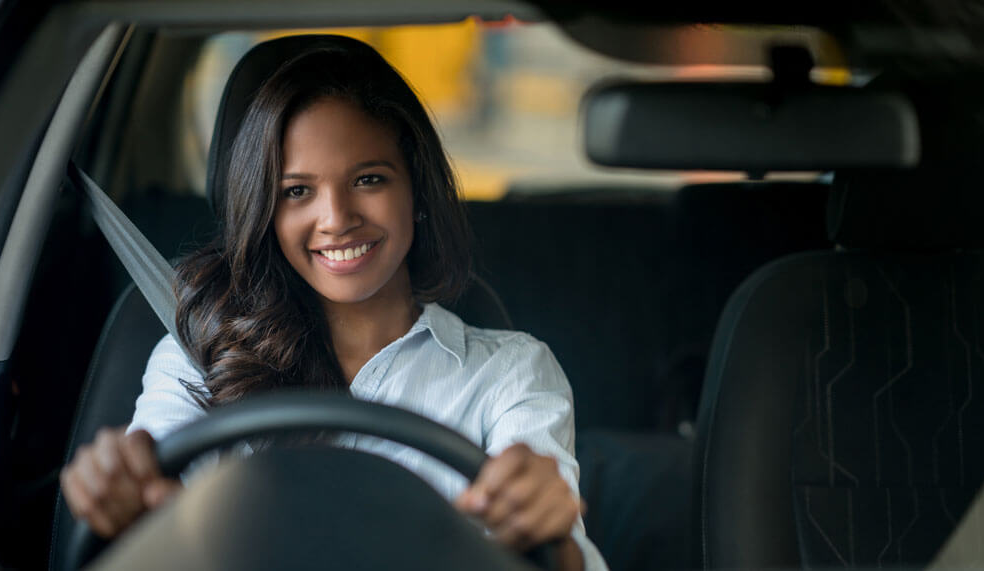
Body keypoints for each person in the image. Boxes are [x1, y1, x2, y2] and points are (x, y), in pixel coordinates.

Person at [59, 36, 607, 571]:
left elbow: (559, 554)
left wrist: (549, 531)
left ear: (416, 191)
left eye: (369, 179)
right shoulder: (197, 356)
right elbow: (150, 517)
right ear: (265, 211)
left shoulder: (510, 374)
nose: (337, 218)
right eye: (297, 191)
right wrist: (121, 496)